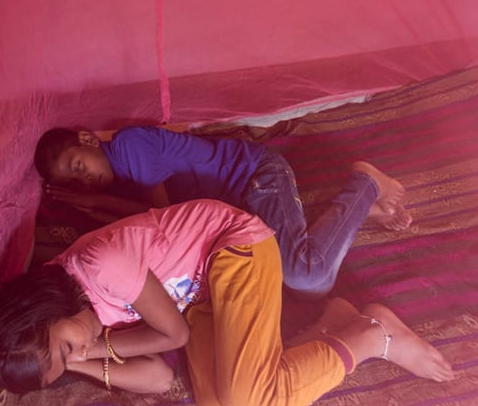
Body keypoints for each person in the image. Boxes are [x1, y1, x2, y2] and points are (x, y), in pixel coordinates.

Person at [0, 199, 453, 406]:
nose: (76, 351)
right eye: (64, 364)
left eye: (64, 347)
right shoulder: (77, 321)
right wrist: (77, 361)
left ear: (43, 311)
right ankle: (336, 323)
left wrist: (92, 349)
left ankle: (370, 335)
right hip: (200, 300)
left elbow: (173, 335)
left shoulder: (100, 268)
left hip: (234, 250)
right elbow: (157, 377)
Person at [34, 125, 411, 297]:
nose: (86, 181)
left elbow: (165, 218)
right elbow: (140, 221)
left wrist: (99, 204)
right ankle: (355, 212)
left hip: (255, 177)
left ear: (87, 139)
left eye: (79, 166)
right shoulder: (117, 176)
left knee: (306, 274)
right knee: (315, 280)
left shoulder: (128, 148)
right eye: (76, 183)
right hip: (239, 208)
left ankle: (365, 184)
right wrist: (98, 206)